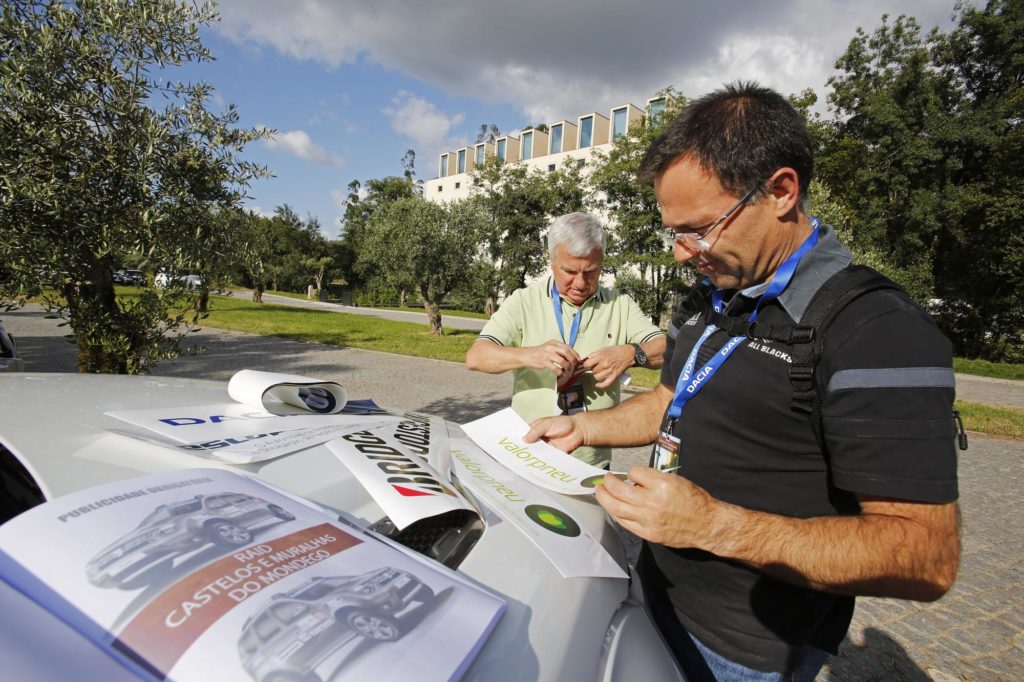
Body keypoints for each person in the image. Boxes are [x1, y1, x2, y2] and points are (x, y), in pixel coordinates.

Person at [524, 83, 959, 680]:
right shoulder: (713, 297)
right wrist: (582, 426)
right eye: (673, 232)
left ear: (781, 191)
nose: (682, 254)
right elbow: (670, 401)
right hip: (653, 592)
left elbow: (926, 557)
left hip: (745, 652)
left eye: (699, 229)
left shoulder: (875, 329)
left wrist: (712, 526)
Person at [465, 212, 666, 468]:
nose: (581, 283)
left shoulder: (620, 305)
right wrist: (530, 355)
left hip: (590, 461)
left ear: (602, 260)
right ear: (550, 259)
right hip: (527, 452)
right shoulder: (524, 301)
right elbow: (477, 356)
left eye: (591, 271)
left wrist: (632, 353)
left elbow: (666, 348)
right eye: (569, 271)